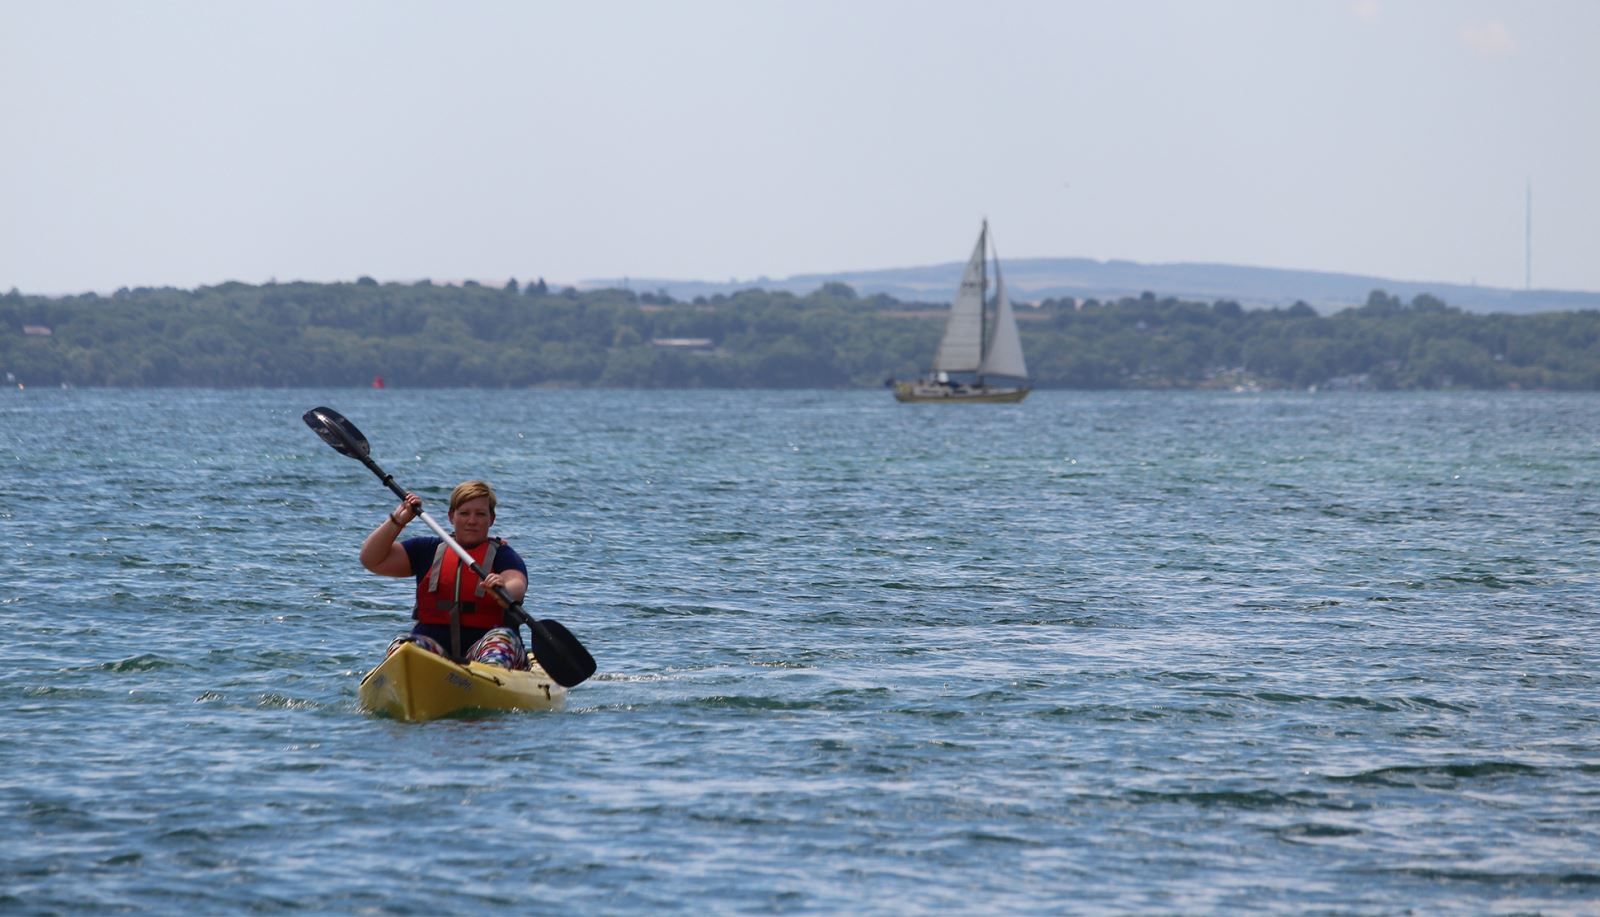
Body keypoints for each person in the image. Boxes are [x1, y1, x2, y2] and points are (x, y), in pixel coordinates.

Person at [360, 479, 530, 669]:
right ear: (451, 516)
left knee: (502, 640)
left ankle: (490, 682)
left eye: (480, 514)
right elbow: (371, 559)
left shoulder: (503, 555)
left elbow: (517, 585)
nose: (472, 521)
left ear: (491, 519)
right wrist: (398, 520)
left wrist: (502, 587)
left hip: (484, 651)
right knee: (403, 646)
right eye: (464, 513)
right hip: (437, 650)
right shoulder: (427, 550)